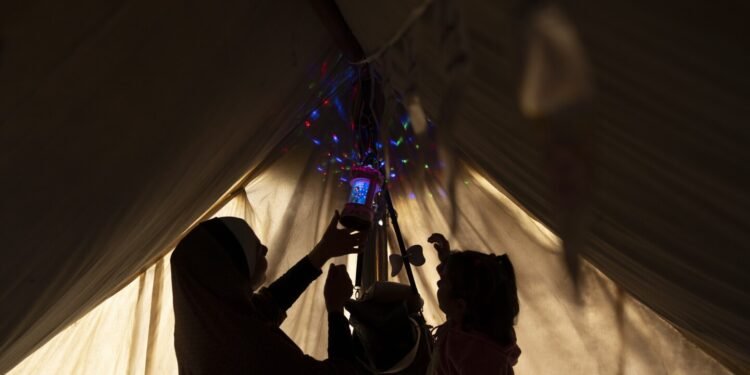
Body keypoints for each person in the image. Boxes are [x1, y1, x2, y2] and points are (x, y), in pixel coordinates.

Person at [170, 211, 364, 374]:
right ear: (230, 270)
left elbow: (268, 305)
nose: (265, 248)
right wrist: (336, 309)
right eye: (255, 249)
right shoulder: (246, 350)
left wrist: (322, 252)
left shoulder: (206, 323)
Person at [426, 233, 522, 375]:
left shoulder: (475, 355)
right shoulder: (469, 324)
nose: (438, 282)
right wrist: (446, 260)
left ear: (460, 305)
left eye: (444, 281)